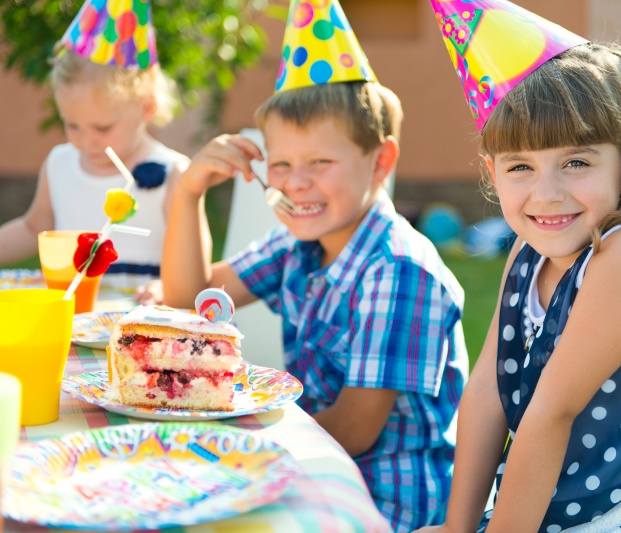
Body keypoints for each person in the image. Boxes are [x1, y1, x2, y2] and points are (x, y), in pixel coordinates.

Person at [415, 1, 621, 532]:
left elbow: (550, 414)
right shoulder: (526, 256)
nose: (547, 194)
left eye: (577, 162)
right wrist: (457, 527)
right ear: (492, 172)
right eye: (521, 166)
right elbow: (486, 393)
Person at [161, 2, 468, 531]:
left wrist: (238, 447)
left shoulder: (399, 269)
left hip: (381, 502)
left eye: (320, 163)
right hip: (312, 466)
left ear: (381, 161)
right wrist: (188, 194)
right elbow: (190, 297)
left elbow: (354, 429)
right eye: (281, 164)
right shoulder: (298, 244)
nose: (295, 183)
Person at [0, 0, 188, 299]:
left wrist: (169, 287)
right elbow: (33, 226)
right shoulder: (60, 163)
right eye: (72, 126)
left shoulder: (175, 174)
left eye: (102, 128)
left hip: (140, 328)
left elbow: (193, 264)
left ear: (147, 107)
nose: (86, 143)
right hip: (72, 327)